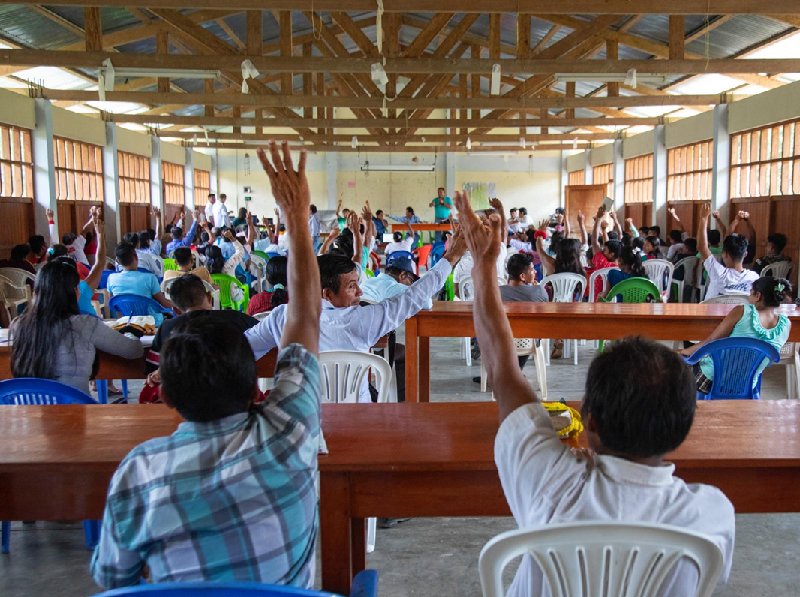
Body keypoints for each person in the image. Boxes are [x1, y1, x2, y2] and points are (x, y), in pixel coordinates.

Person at [451, 189, 734, 597]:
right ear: (682, 428)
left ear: (591, 424)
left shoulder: (548, 479)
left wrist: (483, 264)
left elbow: (501, 368)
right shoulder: (711, 516)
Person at [91, 141, 322, 590]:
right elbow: (305, 315)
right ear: (253, 382)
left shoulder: (140, 472)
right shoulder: (291, 431)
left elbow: (112, 578)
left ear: (167, 395)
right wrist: (296, 219)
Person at [247, 228, 467, 403]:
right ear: (327, 294)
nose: (360, 292)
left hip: (302, 426)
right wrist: (452, 256)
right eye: (352, 286)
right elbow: (413, 298)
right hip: (358, 420)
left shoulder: (282, 317)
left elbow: (244, 348)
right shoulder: (363, 320)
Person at [11, 260, 143, 395]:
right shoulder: (84, 324)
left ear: (37, 292)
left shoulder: (18, 325)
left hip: (28, 412)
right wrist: (130, 333)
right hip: (74, 411)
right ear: (74, 292)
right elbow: (134, 351)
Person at [680, 277, 792, 394]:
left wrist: (683, 352)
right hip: (746, 386)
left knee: (680, 366)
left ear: (758, 296)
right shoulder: (786, 325)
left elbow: (710, 342)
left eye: (750, 293)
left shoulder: (742, 311)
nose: (748, 297)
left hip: (711, 382)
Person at [145, 274, 259, 379]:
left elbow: (152, 371)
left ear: (176, 309)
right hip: (231, 394)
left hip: (184, 398)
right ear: (210, 297)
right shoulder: (237, 319)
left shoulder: (166, 328)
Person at [697, 204, 759, 299]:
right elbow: (752, 236)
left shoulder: (718, 272)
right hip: (741, 314)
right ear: (745, 254)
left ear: (724, 254)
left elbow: (702, 247)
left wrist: (703, 219)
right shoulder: (753, 277)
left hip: (713, 313)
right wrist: (744, 220)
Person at [107, 243, 173, 322]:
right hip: (151, 322)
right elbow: (164, 303)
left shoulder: (111, 279)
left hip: (126, 321)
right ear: (136, 257)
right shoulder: (150, 278)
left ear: (117, 261)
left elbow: (113, 303)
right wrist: (178, 304)